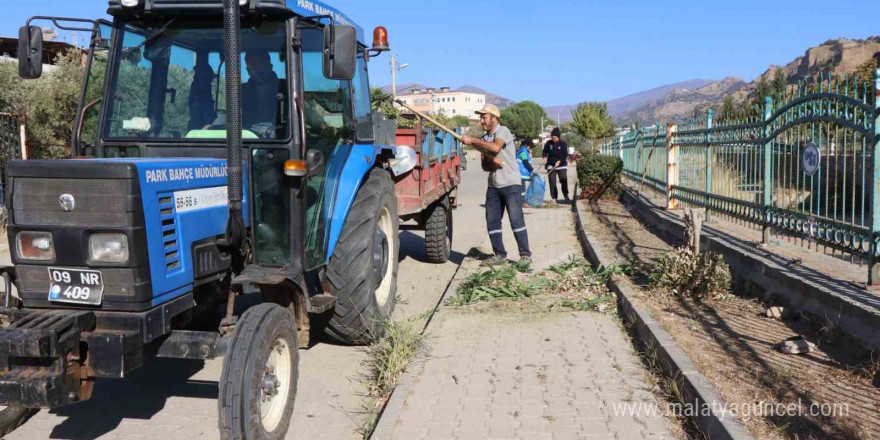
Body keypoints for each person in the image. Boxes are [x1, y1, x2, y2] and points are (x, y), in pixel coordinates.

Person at [461, 104, 532, 267]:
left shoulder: (503, 131)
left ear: (494, 118)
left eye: (484, 117)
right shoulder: (484, 139)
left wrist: (472, 141)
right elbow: (485, 167)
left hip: (511, 183)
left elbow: (495, 148)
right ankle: (499, 254)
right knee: (492, 221)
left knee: (516, 220)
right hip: (494, 185)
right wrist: (492, 162)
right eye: (481, 117)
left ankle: (525, 255)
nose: (481, 121)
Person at [241, 51, 281, 137]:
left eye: (262, 64)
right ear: (248, 70)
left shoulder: (286, 88)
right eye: (254, 65)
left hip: (280, 140)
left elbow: (304, 111)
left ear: (270, 67)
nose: (259, 68)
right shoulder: (240, 92)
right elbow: (230, 117)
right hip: (247, 138)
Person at [543, 127, 570, 203]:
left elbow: (565, 154)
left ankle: (566, 195)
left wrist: (559, 161)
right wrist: (544, 157)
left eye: (555, 138)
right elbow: (545, 151)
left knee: (563, 180)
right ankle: (554, 197)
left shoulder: (563, 144)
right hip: (551, 165)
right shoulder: (549, 143)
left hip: (561, 165)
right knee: (552, 181)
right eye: (552, 138)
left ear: (559, 137)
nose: (553, 139)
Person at [517, 140, 534, 206]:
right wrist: (531, 169)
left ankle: (522, 201)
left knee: (522, 188)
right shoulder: (523, 152)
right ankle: (522, 202)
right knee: (522, 189)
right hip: (521, 173)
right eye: (530, 147)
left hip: (523, 172)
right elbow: (525, 162)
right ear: (526, 145)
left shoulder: (523, 151)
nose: (530, 148)